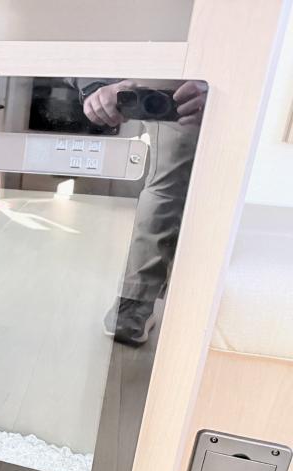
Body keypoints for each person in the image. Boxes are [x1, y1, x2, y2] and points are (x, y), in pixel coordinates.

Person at [78, 79, 207, 346]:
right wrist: (93, 86)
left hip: (201, 85)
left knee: (171, 187)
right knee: (169, 187)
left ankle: (135, 306)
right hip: (185, 87)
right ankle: (134, 303)